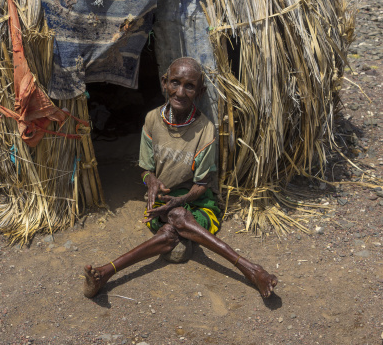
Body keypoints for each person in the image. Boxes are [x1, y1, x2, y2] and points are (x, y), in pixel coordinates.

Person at [83, 57, 278, 300]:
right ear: (164, 83)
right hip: (162, 204)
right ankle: (252, 270)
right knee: (175, 235)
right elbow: (146, 170)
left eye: (189, 86)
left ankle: (106, 271)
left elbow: (201, 186)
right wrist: (150, 182)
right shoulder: (153, 119)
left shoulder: (205, 129)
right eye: (175, 82)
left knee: (173, 232)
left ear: (200, 91)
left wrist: (181, 200)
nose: (180, 92)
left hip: (199, 205)